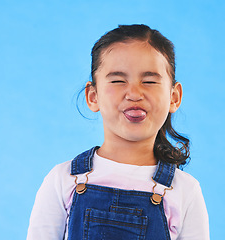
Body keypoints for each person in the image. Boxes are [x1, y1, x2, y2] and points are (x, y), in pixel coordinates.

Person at [27, 24, 209, 240]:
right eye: (118, 81)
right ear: (93, 96)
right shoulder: (64, 180)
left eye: (149, 81)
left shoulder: (185, 190)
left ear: (174, 97)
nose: (134, 93)